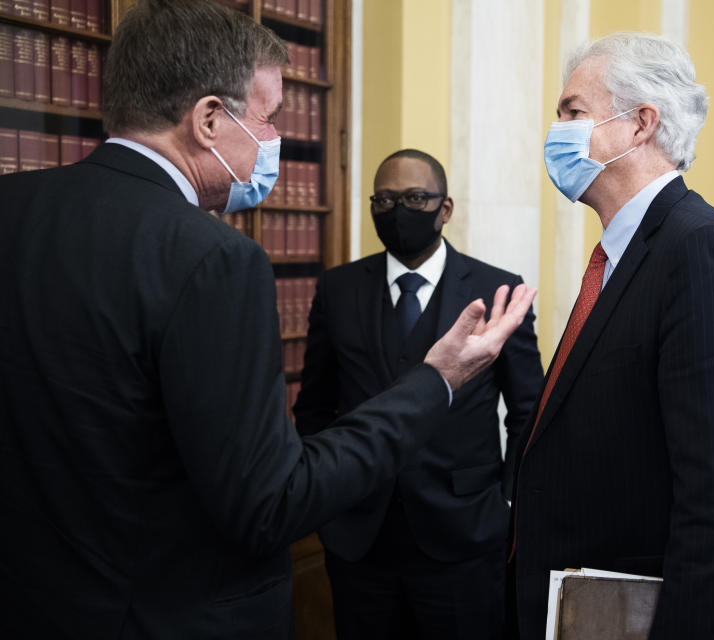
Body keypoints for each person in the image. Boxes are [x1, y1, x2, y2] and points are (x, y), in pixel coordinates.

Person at [0, 1, 536, 638]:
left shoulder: (13, 209)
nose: (274, 140)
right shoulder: (213, 259)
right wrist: (437, 379)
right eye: (268, 118)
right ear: (207, 119)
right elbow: (270, 502)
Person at [507, 32, 714, 640]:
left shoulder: (699, 247)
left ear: (640, 124)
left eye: (573, 112)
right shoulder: (625, 252)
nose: (556, 129)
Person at [293, 148, 543, 640]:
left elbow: (528, 411)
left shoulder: (497, 289)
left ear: (443, 209)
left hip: (464, 537)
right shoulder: (337, 289)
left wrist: (508, 504)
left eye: (413, 198)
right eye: (383, 200)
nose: (397, 211)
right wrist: (325, 499)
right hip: (359, 538)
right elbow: (314, 406)